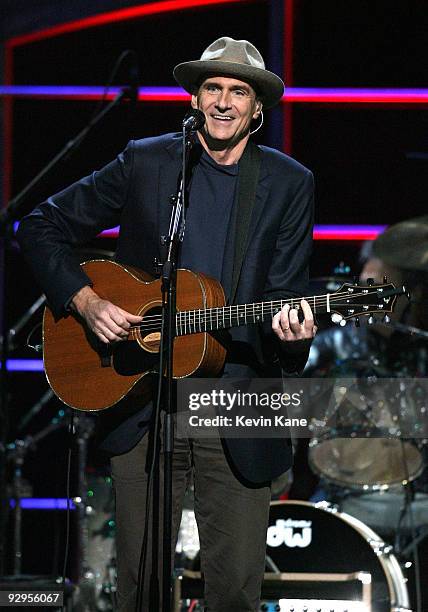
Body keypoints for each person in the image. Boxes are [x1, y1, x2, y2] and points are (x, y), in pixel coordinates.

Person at [17, 37, 316, 611]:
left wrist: (294, 331)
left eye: (238, 91)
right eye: (212, 88)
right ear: (195, 98)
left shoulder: (289, 182)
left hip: (239, 399)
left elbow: (285, 294)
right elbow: (41, 224)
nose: (223, 102)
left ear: (258, 110)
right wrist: (84, 301)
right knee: (140, 589)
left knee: (233, 592)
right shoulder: (150, 160)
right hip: (142, 397)